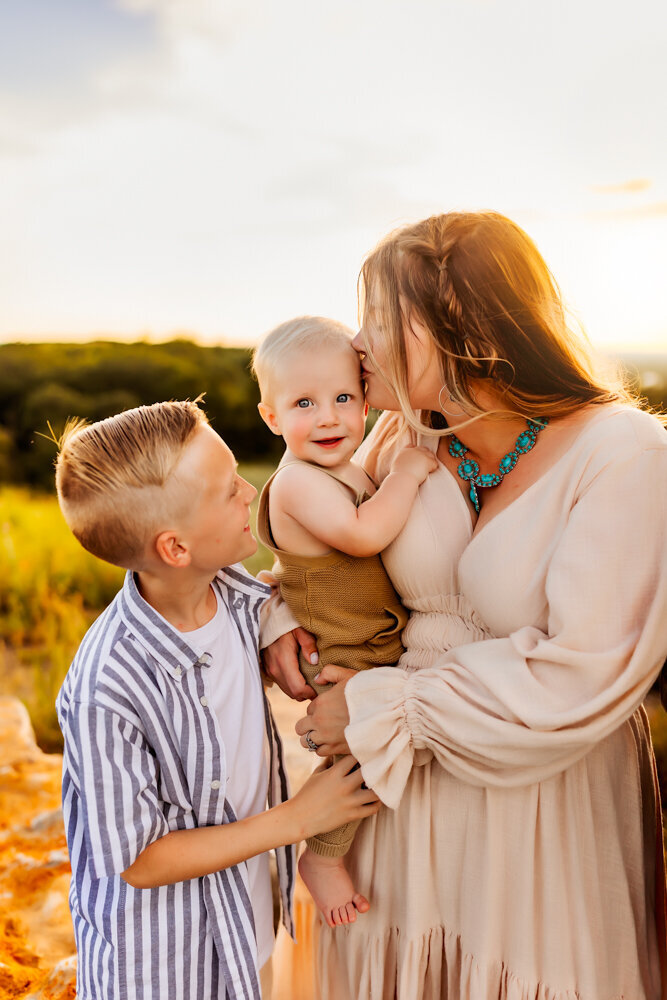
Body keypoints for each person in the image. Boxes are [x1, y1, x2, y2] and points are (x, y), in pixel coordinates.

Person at [262, 212, 667, 999]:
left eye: (378, 316)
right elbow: (311, 537)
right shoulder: (398, 438)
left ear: (457, 326)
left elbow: (581, 671)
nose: (358, 341)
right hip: (395, 803)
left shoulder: (623, 455)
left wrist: (378, 709)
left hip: (543, 808)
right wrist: (279, 613)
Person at [53, 400, 380, 1000]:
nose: (250, 490)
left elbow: (272, 593)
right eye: (229, 490)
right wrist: (299, 820)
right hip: (163, 969)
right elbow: (140, 860)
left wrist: (278, 618)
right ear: (176, 548)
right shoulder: (107, 686)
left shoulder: (231, 593)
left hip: (244, 928)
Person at [251, 316, 436, 928]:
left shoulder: (340, 468)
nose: (328, 417)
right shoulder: (298, 483)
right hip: (342, 643)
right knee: (361, 747)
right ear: (271, 417)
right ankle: (322, 857)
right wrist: (407, 474)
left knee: (371, 739)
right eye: (304, 403)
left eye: (343, 398)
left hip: (365, 634)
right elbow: (361, 536)